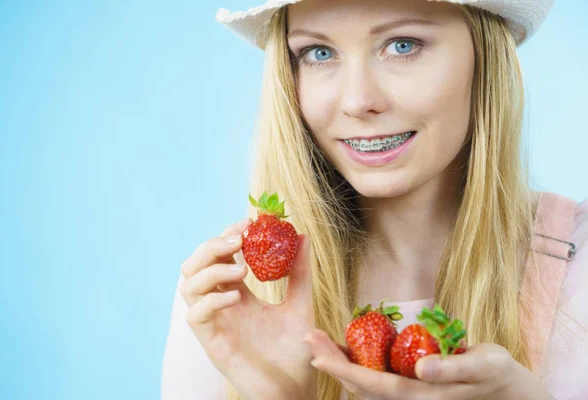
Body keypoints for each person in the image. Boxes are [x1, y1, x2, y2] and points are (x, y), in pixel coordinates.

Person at [161, 0, 588, 399]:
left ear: (484, 57)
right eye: (319, 53)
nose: (357, 101)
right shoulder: (229, 304)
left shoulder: (580, 263)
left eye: (403, 45)